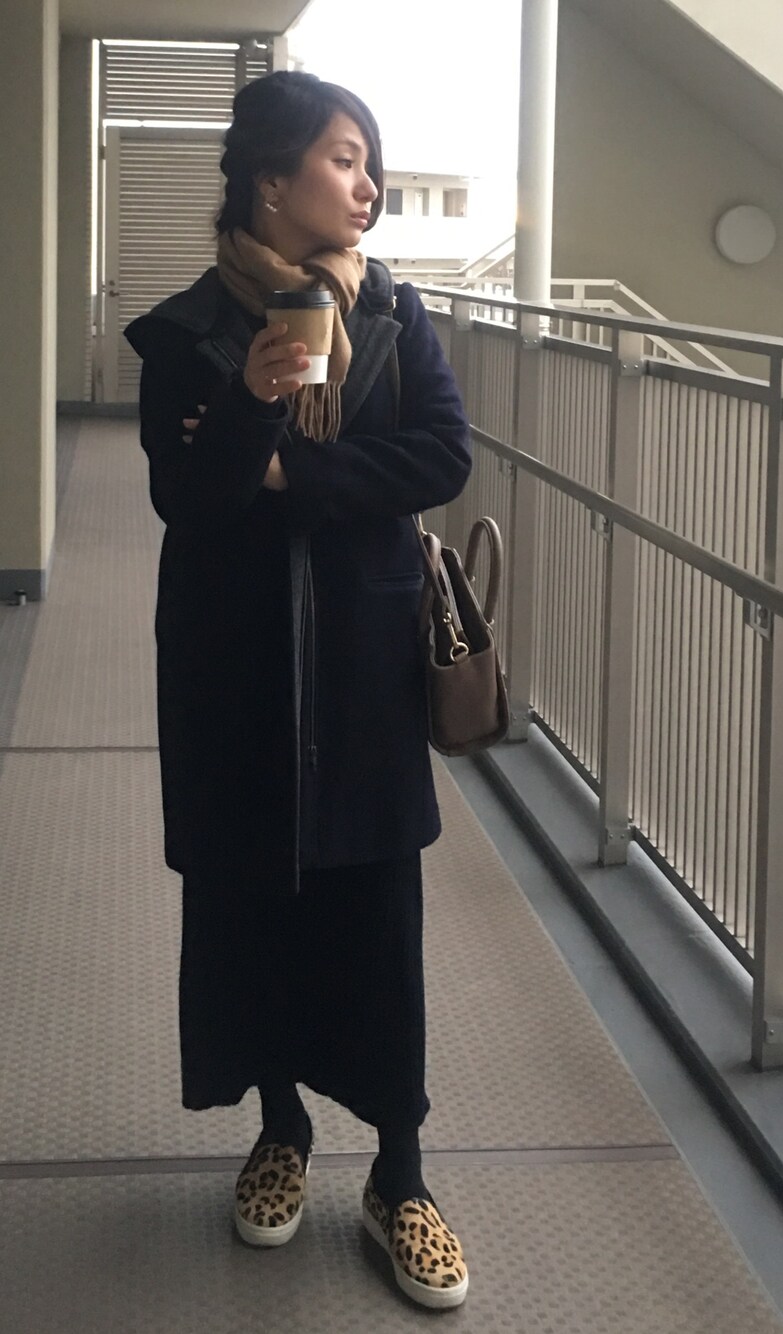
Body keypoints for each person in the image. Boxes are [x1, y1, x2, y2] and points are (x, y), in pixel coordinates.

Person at [123, 70, 471, 1310]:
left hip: (364, 656)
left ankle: (401, 1173)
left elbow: (441, 455)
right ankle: (280, 1127)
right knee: (250, 895)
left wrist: (295, 475)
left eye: (369, 160)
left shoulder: (396, 315)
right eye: (343, 157)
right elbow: (186, 497)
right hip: (230, 657)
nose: (367, 183)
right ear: (271, 181)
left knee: (376, 910)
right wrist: (254, 402)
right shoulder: (182, 335)